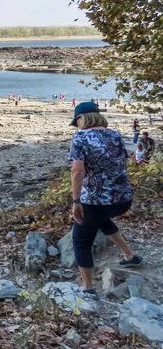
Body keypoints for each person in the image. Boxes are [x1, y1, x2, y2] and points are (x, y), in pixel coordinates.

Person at [68, 102, 141, 294]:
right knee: (101, 220)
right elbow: (123, 160)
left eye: (77, 121)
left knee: (81, 240)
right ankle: (129, 255)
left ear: (82, 118)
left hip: (96, 200)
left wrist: (76, 202)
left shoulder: (81, 138)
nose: (77, 126)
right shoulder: (115, 134)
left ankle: (87, 288)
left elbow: (77, 171)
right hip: (123, 199)